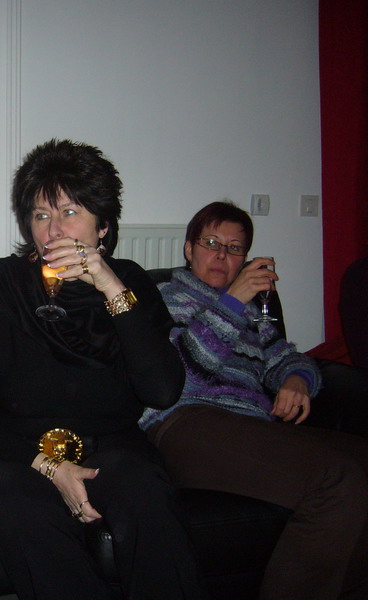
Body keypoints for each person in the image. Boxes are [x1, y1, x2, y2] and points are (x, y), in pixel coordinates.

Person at [0, 139, 207, 599]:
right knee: (23, 511)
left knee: (146, 493)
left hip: (110, 446)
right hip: (17, 453)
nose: (53, 231)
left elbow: (162, 391)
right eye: (40, 215)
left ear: (103, 226)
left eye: (70, 212)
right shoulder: (2, 288)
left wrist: (110, 286)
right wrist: (50, 466)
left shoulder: (130, 283)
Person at [139, 201, 368, 600]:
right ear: (189, 249)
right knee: (337, 479)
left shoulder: (251, 312)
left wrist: (296, 379)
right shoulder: (163, 297)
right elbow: (181, 373)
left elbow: (284, 355)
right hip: (184, 423)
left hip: (249, 426)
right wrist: (231, 301)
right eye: (211, 243)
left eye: (234, 248)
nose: (222, 255)